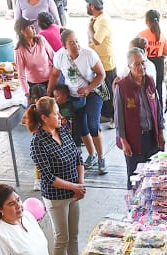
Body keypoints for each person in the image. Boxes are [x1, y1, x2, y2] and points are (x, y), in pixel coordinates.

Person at [27, 97, 85, 255]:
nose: (60, 117)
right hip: (57, 197)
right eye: (56, 114)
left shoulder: (63, 131)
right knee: (62, 238)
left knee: (73, 236)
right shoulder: (37, 143)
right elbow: (48, 177)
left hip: (74, 194)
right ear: (44, 118)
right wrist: (75, 187)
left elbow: (78, 158)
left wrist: (79, 185)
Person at [54, 29, 107, 174]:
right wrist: (50, 95)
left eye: (77, 41)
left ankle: (102, 157)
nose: (76, 45)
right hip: (74, 96)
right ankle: (92, 155)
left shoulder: (88, 54)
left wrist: (88, 88)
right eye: (71, 42)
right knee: (82, 127)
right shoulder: (59, 56)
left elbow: (102, 75)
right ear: (64, 45)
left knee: (92, 124)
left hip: (93, 93)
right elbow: (54, 74)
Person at [112, 48, 163, 186]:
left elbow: (158, 107)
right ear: (129, 66)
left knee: (154, 175)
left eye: (143, 62)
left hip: (152, 135)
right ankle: (134, 206)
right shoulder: (122, 87)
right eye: (136, 64)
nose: (141, 67)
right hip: (134, 138)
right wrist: (123, 140)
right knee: (135, 177)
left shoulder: (150, 81)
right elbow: (119, 117)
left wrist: (161, 131)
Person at [14, 17, 54, 99]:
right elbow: (21, 75)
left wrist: (53, 80)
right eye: (30, 27)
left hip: (50, 80)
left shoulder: (41, 40)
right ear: (23, 31)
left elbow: (53, 57)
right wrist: (27, 93)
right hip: (34, 86)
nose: (33, 28)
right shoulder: (19, 50)